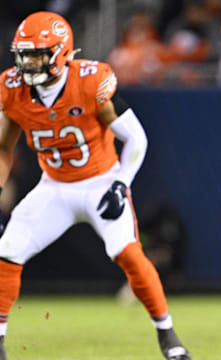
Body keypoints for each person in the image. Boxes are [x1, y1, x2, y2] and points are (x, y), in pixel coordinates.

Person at [0, 11, 192, 360]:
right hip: (54, 186)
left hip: (100, 182)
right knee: (8, 250)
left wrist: (120, 183)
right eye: (23, 54)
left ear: (60, 53)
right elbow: (3, 148)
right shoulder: (13, 89)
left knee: (128, 252)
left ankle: (167, 333)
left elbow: (136, 138)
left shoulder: (90, 81)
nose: (27, 63)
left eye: (37, 55)